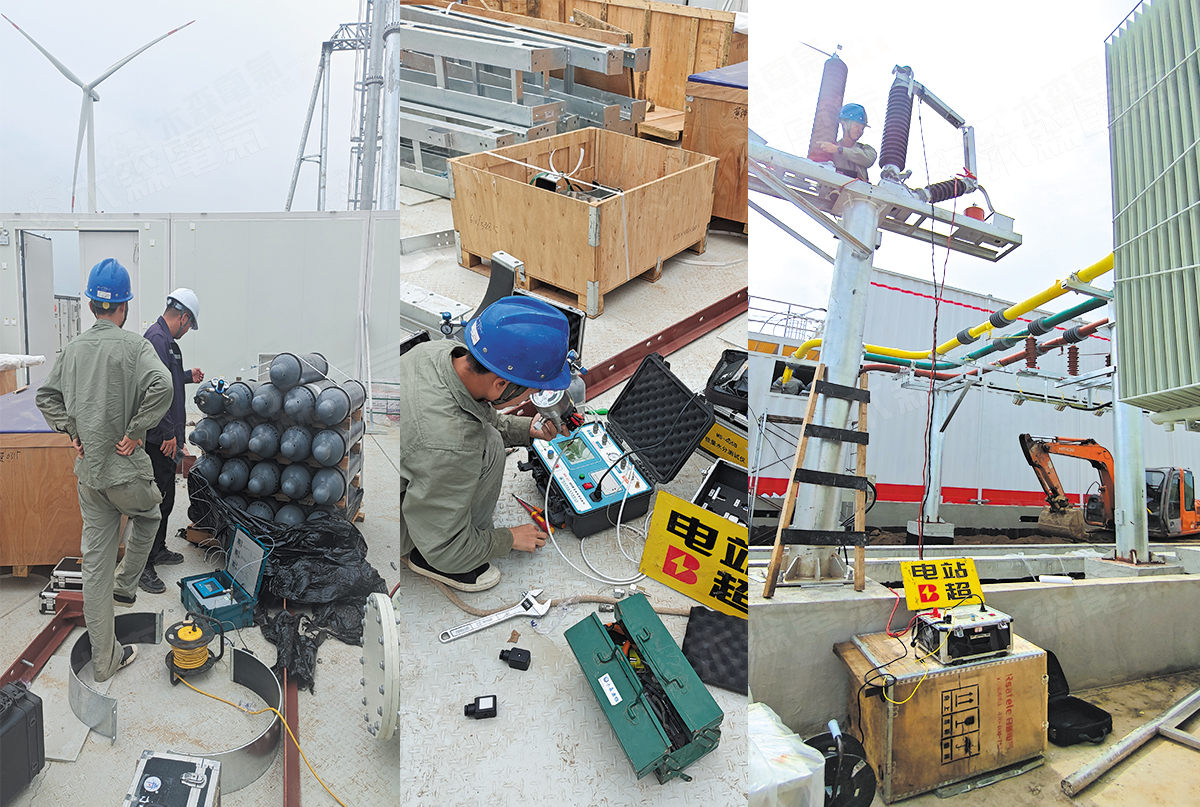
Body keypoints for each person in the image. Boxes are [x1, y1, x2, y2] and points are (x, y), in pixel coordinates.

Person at [36, 258, 172, 681]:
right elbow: (164, 385)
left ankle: (104, 661)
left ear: (92, 304)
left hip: (91, 475)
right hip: (125, 471)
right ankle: (126, 585)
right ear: (123, 306)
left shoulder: (74, 349)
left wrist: (71, 431)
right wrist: (135, 431)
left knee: (94, 568)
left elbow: (46, 396)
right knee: (150, 514)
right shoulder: (135, 347)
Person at [394, 297, 570, 592]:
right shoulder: (453, 445)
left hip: (396, 468)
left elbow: (472, 411)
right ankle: (424, 559)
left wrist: (527, 430)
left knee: (488, 438)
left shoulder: (438, 353)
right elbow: (445, 548)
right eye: (529, 393)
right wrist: (508, 538)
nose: (528, 399)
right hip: (397, 520)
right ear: (501, 385)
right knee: (489, 445)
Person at [139, 289, 204, 593]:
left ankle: (158, 549)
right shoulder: (156, 339)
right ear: (184, 317)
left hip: (169, 436)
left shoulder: (168, 343)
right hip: (158, 438)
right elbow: (153, 390)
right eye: (190, 326)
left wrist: (188, 375)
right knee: (153, 503)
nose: (188, 331)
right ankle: (143, 565)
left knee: (166, 498)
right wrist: (168, 433)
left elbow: (169, 380)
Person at [814, 103, 877, 181]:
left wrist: (839, 150)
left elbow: (868, 160)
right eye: (856, 126)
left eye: (862, 128)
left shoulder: (867, 150)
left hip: (857, 188)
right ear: (844, 123)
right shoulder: (830, 149)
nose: (860, 131)